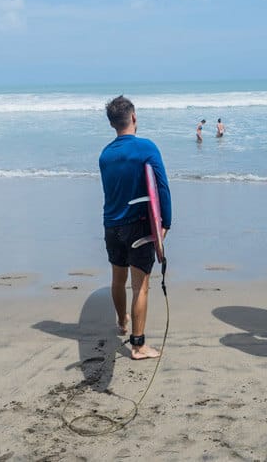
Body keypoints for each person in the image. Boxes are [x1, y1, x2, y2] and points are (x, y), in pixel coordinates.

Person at [99, 95, 172, 360]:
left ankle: (122, 322)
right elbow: (161, 188)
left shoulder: (105, 155)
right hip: (138, 227)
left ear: (112, 124)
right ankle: (139, 346)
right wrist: (166, 223)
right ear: (134, 117)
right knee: (140, 285)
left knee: (118, 280)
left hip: (111, 226)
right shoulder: (146, 148)